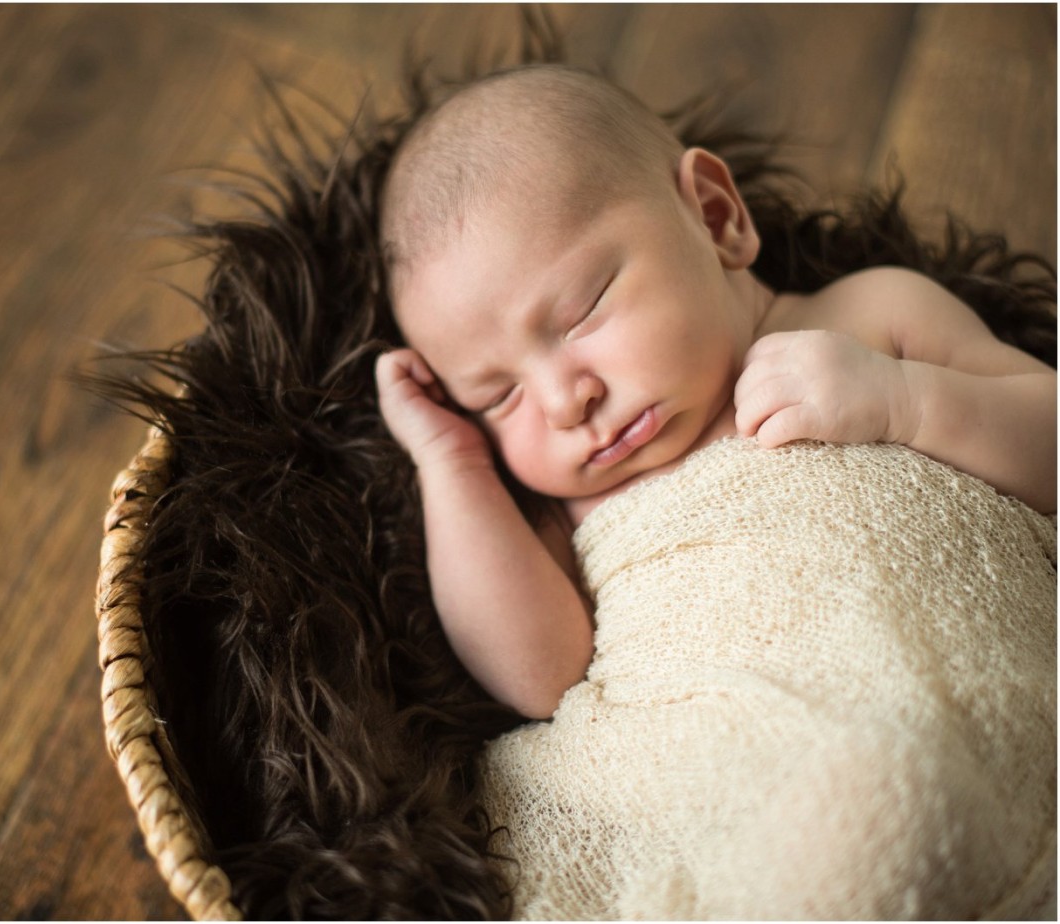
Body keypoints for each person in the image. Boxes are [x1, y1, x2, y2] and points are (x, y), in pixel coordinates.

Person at [373, 64, 1057, 720]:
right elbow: (536, 680)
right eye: (497, 396)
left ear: (713, 213)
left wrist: (907, 400)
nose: (561, 404)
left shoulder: (872, 316)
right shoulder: (568, 508)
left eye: (581, 312)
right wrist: (450, 463)